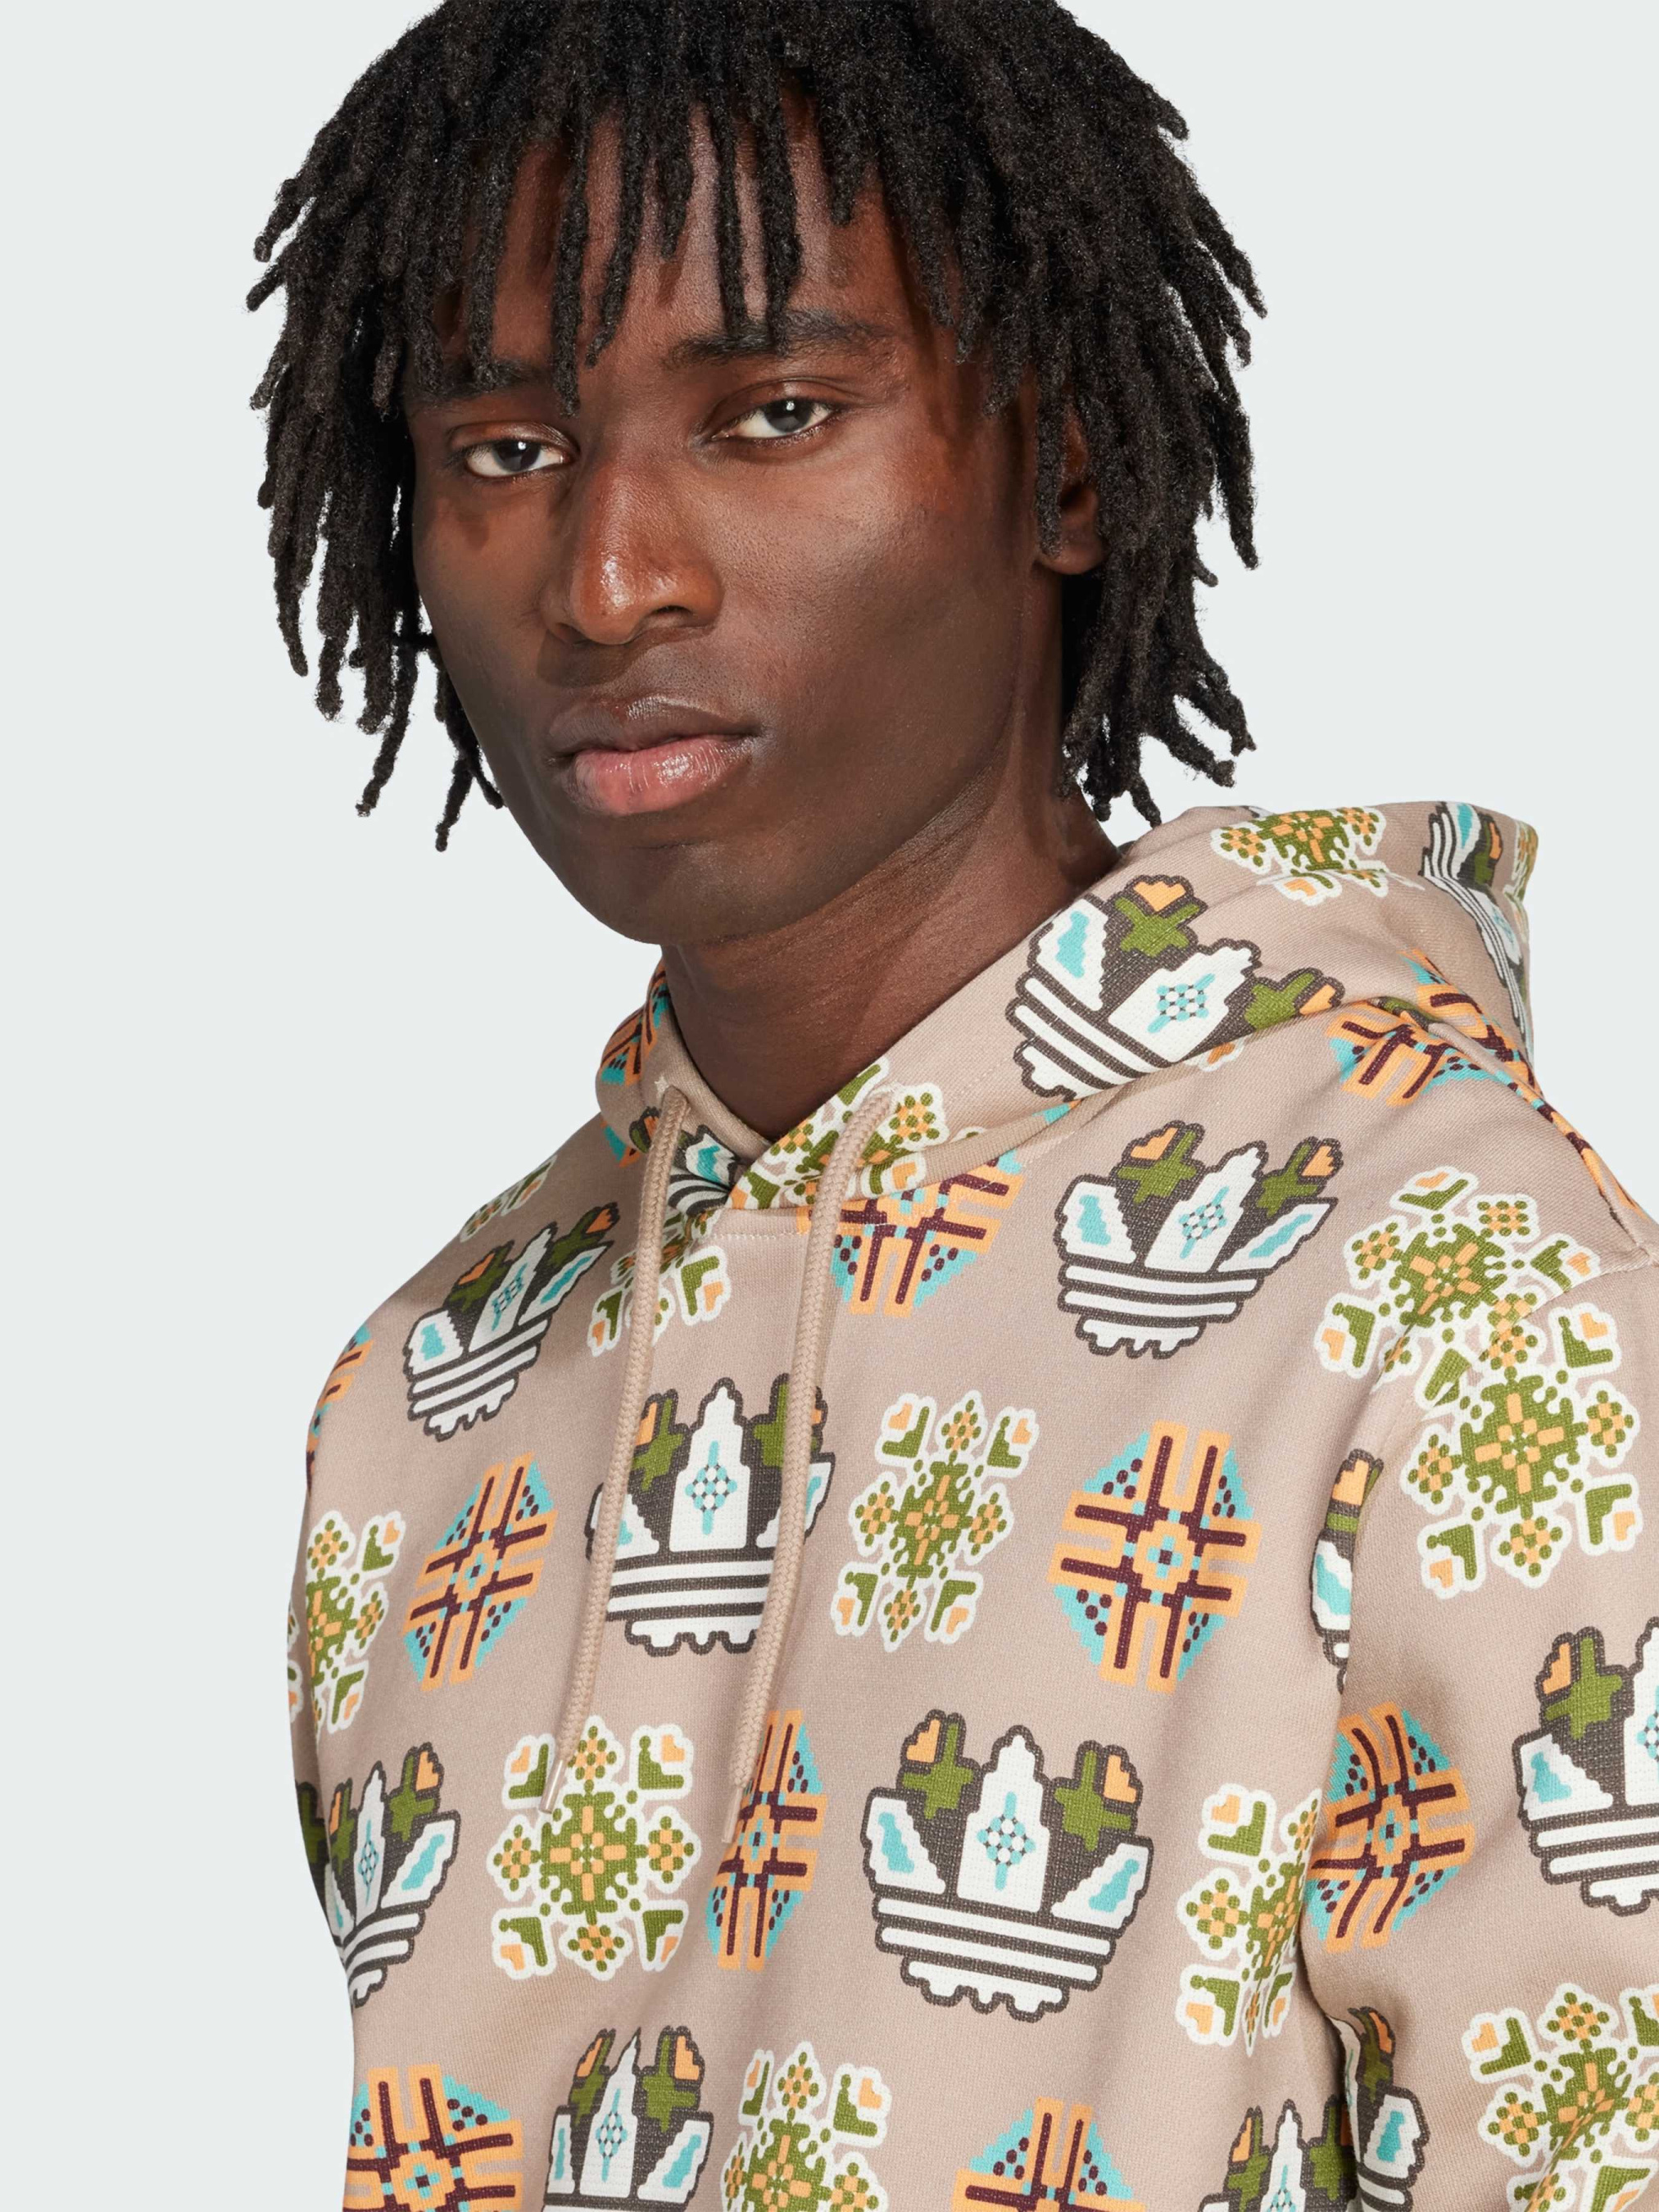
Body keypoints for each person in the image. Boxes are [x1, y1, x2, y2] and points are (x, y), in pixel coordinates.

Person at [260, 5, 1659, 2205]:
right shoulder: (431, 1395)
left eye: (773, 413)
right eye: (508, 446)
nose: (612, 579)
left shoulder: (1456, 1297)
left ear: (1067, 462)